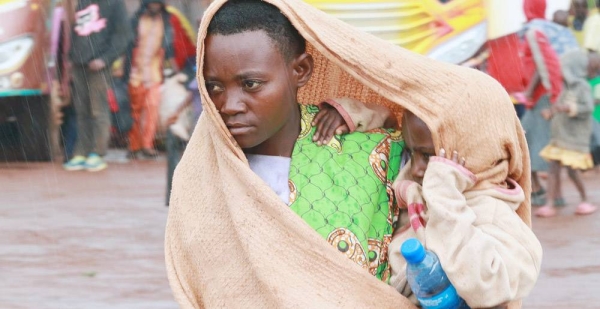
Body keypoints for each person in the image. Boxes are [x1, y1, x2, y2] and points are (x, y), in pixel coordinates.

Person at [165, 0, 536, 307]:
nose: (228, 104)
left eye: (251, 84)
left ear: (301, 71)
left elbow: (476, 127)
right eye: (213, 86)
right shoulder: (202, 180)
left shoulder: (378, 155)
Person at [63, 0, 131, 172]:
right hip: (79, 64)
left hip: (99, 65)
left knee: (98, 109)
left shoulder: (115, 4)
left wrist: (105, 59)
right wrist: (72, 59)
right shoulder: (82, 3)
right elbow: (75, 32)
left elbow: (123, 35)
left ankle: (97, 153)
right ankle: (81, 152)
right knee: (82, 110)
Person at [125, 0, 196, 159]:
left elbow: (169, 48)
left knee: (152, 108)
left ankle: (147, 146)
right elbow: (128, 46)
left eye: (157, 4)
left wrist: (176, 71)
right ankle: (134, 146)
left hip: (155, 73)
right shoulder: (136, 21)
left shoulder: (166, 20)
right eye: (152, 4)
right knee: (135, 112)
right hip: (136, 73)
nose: (155, 7)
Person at [535, 50, 600, 217]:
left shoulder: (582, 87)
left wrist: (567, 108)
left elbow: (588, 108)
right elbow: (560, 105)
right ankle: (550, 204)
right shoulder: (567, 88)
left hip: (573, 138)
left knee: (572, 171)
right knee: (553, 169)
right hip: (560, 136)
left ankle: (585, 199)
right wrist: (552, 112)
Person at [520, 0, 569, 206]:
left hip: (542, 98)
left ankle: (551, 195)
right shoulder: (547, 31)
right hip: (545, 96)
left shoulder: (533, 32)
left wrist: (528, 92)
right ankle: (542, 192)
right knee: (532, 143)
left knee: (532, 144)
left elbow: (541, 66)